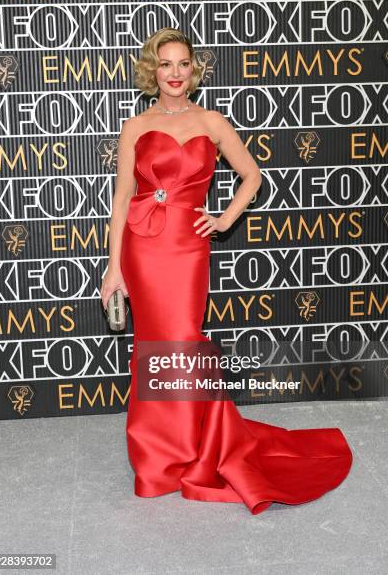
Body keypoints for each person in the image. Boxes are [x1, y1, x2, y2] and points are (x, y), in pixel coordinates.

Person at [101, 27, 353, 515]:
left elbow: (253, 176)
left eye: (183, 64)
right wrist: (114, 267)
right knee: (153, 346)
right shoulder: (135, 125)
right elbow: (120, 198)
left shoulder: (212, 121)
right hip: (142, 247)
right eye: (166, 64)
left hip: (188, 247)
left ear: (195, 69)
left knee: (183, 340)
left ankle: (190, 450)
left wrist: (224, 218)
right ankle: (157, 460)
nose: (175, 73)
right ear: (153, 71)